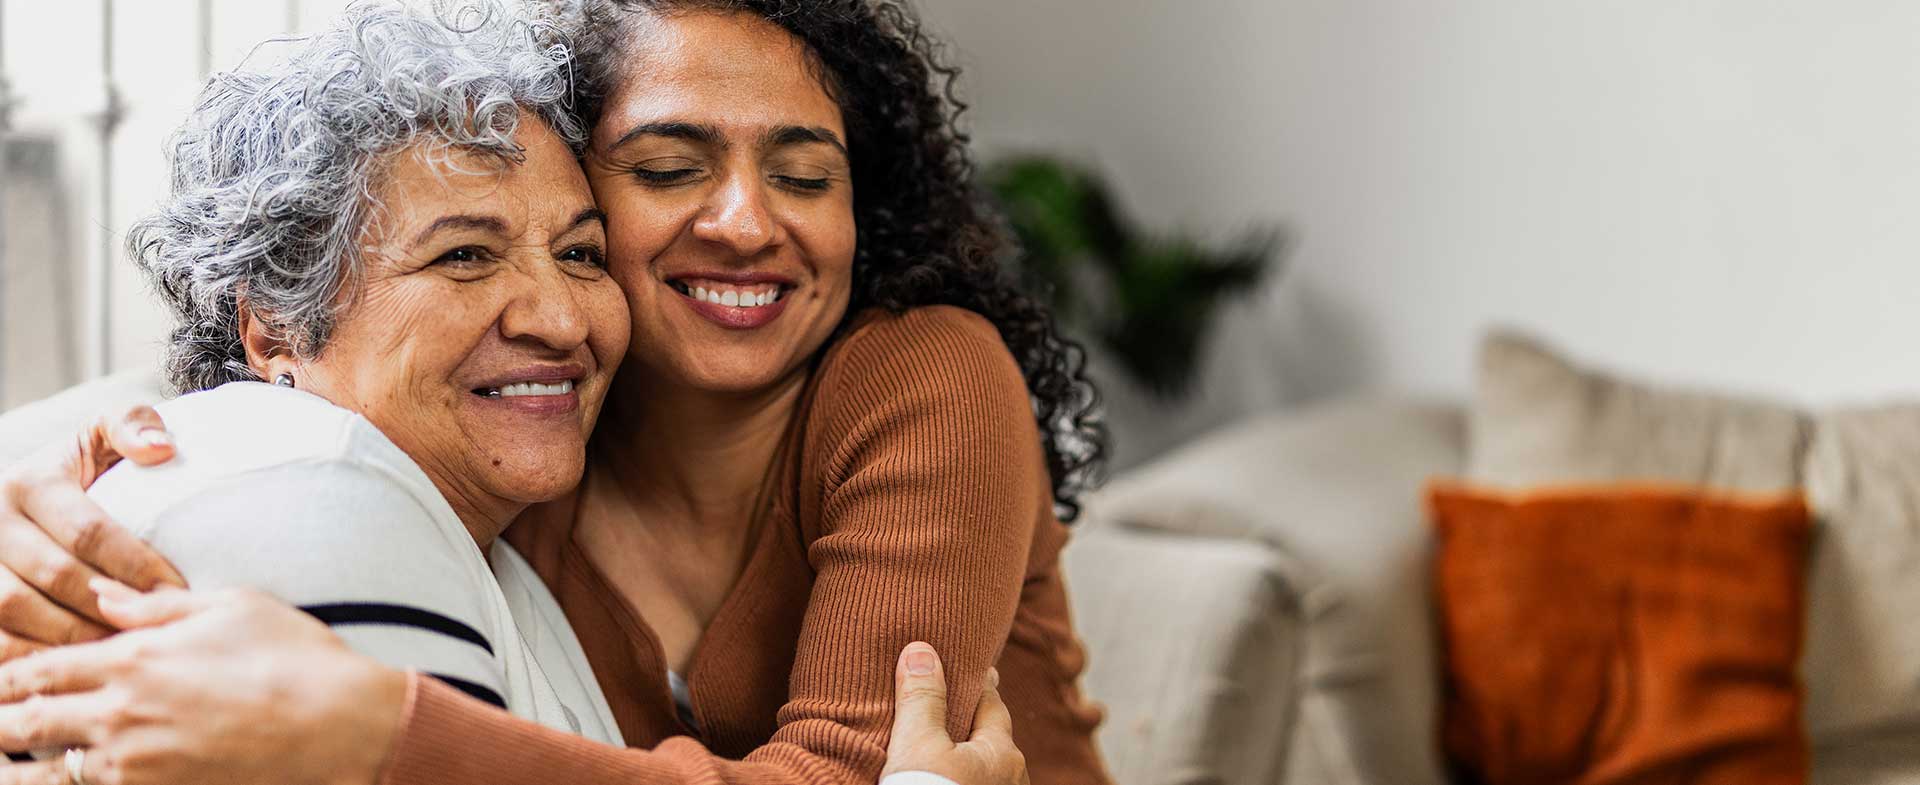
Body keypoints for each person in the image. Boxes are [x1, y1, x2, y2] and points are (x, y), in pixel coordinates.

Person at [0, 0, 1114, 782]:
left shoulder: (926, 373)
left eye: (805, 175)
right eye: (671, 168)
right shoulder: (523, 433)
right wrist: (54, 482)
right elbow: (277, 359)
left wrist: (382, 736)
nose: (745, 222)